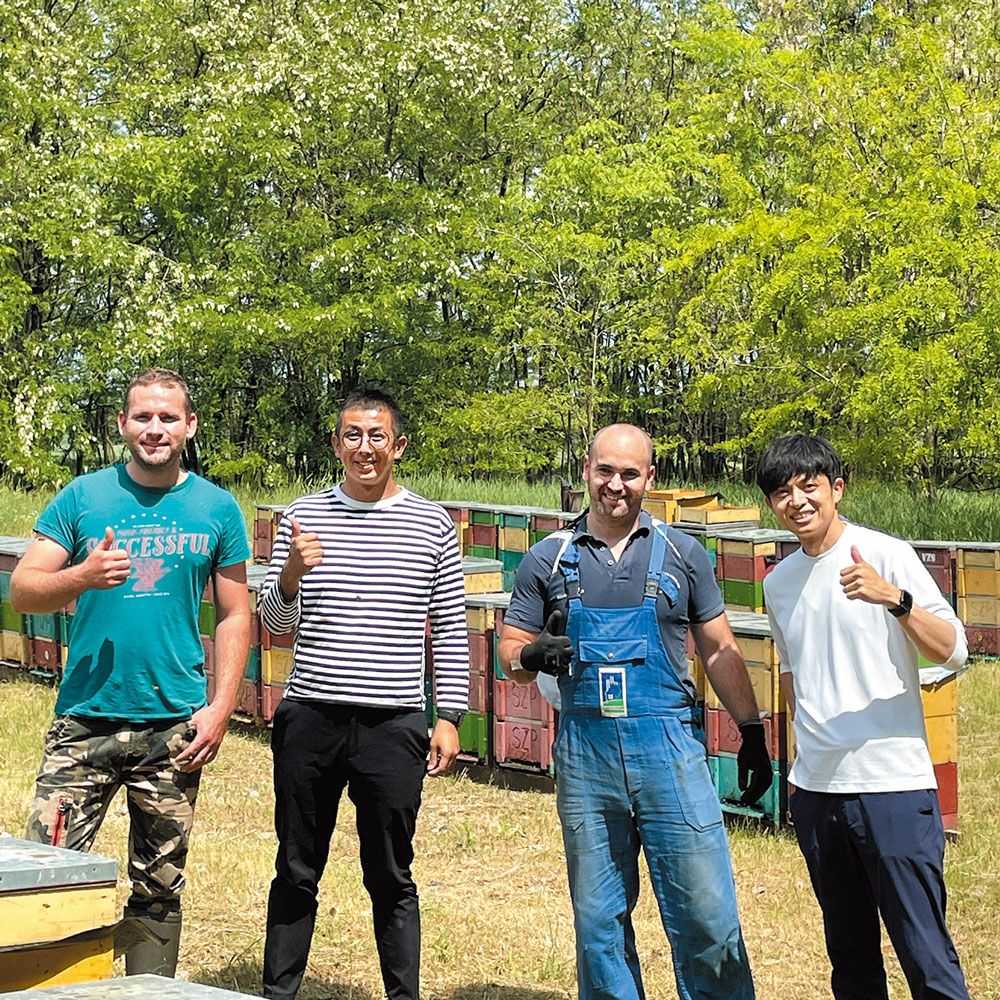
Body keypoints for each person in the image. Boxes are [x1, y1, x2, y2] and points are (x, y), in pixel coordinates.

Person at [498, 423, 770, 1000]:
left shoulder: (683, 554)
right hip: (586, 758)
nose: (615, 485)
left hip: (670, 754)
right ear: (585, 471)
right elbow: (509, 652)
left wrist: (751, 730)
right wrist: (529, 655)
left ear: (649, 477)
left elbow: (719, 648)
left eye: (629, 473)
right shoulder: (548, 559)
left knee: (707, 914)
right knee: (599, 921)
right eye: (604, 471)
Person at [11, 368, 251, 977]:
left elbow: (235, 614)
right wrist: (81, 577)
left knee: (160, 887)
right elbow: (23, 590)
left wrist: (221, 708)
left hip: (174, 728)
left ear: (189, 425)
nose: (155, 429)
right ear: (123, 424)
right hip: (84, 722)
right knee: (46, 874)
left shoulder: (217, 508)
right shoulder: (82, 498)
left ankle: (149, 988)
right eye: (143, 416)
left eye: (168, 417)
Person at [259, 386, 470, 1000]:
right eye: (352, 435)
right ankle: (278, 993)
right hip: (311, 717)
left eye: (377, 436)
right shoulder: (303, 516)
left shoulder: (432, 523)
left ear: (397, 446)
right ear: (336, 444)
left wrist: (449, 715)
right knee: (297, 867)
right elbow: (274, 627)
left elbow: (449, 628)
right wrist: (292, 572)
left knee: (391, 874)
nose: (365, 447)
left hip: (392, 724)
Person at [758, 434, 970, 1000]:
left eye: (809, 487)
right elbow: (791, 671)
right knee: (850, 958)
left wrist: (895, 599)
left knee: (926, 954)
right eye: (782, 492)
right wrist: (798, 763)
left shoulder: (885, 554)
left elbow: (954, 650)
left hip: (892, 785)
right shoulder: (777, 583)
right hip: (817, 792)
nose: (797, 502)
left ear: (837, 489)